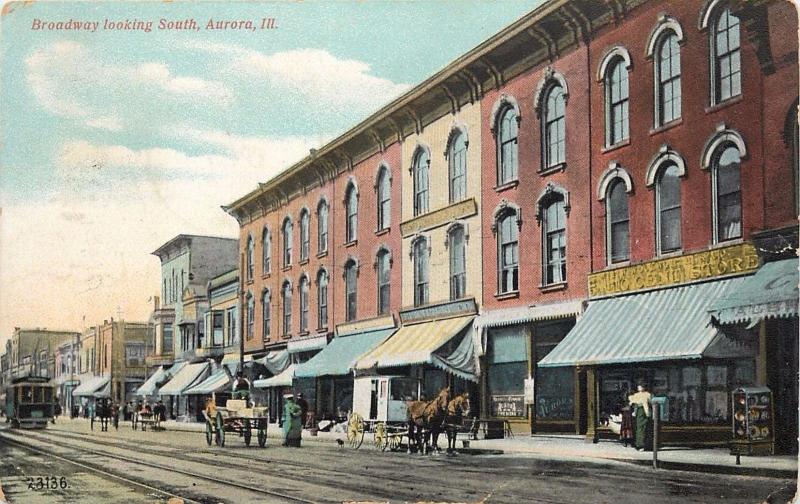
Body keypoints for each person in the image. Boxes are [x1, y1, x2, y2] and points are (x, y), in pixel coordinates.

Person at [628, 383, 653, 451]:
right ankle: (640, 444)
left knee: (644, 428)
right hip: (639, 411)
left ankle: (643, 444)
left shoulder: (647, 394)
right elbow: (632, 402)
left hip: (644, 411)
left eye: (640, 387)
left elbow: (650, 402)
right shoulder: (636, 395)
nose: (639, 388)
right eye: (638, 387)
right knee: (640, 428)